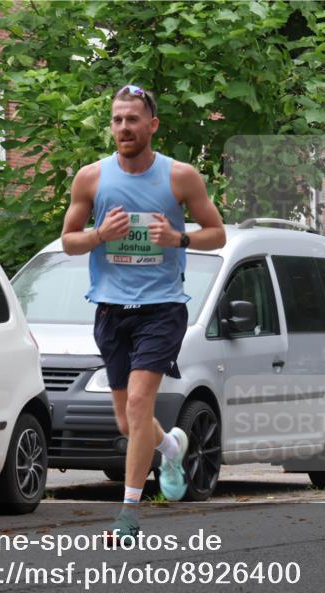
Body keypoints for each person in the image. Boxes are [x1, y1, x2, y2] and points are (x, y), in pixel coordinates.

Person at [62, 85, 226, 539]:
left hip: (162, 309)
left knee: (138, 403)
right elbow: (68, 241)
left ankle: (129, 513)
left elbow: (217, 233)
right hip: (112, 310)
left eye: (132, 119)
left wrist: (179, 239)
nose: (123, 128)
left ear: (151, 125)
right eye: (117, 120)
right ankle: (171, 446)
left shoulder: (180, 177)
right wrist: (99, 235)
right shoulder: (91, 178)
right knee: (126, 419)